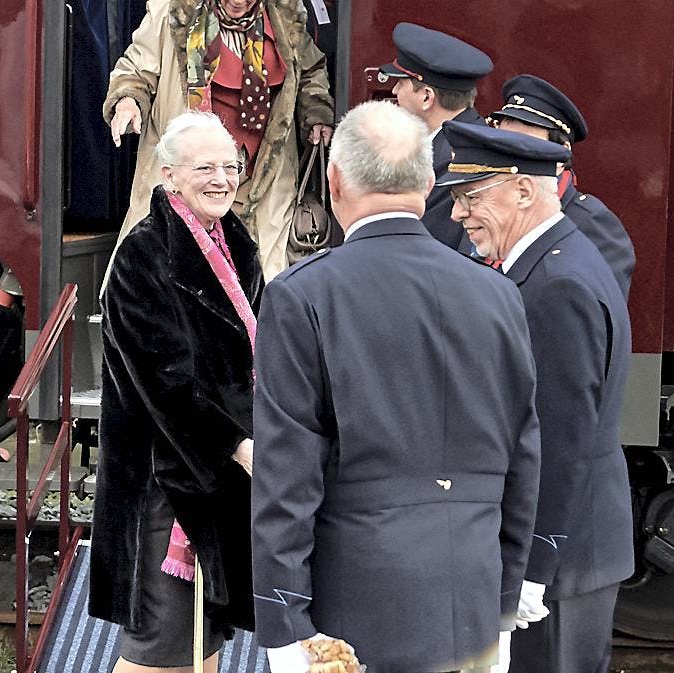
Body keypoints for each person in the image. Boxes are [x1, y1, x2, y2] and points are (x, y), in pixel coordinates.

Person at [251, 101, 542, 673]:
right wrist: (505, 600)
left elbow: (287, 474)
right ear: (430, 181)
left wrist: (285, 625)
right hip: (474, 589)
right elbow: (523, 458)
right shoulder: (499, 294)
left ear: (334, 182)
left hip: (356, 600)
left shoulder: (303, 296)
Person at [440, 121, 633, 673]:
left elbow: (560, 439)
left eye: (470, 197)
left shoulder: (555, 287)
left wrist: (532, 570)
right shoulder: (559, 261)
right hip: (573, 551)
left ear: (523, 190)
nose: (457, 214)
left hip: (561, 561)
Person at [91, 111, 262, 673]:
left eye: (229, 166)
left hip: (214, 479)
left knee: (204, 640)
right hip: (163, 484)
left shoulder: (235, 241)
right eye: (204, 167)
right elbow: (164, 381)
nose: (221, 178)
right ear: (169, 177)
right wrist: (236, 444)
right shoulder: (142, 256)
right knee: (160, 648)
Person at [105, 0, 335, 281]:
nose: (238, 2)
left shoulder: (285, 16)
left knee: (261, 281)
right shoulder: (172, 11)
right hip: (189, 176)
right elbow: (136, 68)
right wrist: (127, 100)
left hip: (261, 182)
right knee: (166, 276)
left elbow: (311, 70)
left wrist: (316, 112)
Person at [489, 74, 635, 299]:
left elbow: (597, 313)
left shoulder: (591, 222)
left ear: (561, 153)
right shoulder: (480, 208)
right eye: (502, 142)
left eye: (524, 143)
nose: (508, 154)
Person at [379, 22, 492, 252]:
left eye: (401, 83)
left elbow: (421, 244)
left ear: (426, 97)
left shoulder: (454, 163)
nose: (394, 92)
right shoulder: (466, 140)